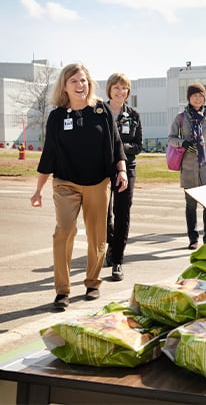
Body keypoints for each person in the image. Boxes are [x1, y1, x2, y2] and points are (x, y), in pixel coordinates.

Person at [30, 63, 127, 309]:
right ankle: (62, 290)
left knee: (97, 236)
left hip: (98, 182)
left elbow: (115, 144)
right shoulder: (56, 117)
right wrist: (39, 189)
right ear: (64, 86)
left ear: (89, 83)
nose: (80, 85)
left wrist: (122, 171)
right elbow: (49, 154)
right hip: (66, 183)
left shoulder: (101, 111)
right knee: (64, 231)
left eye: (83, 80)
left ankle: (92, 283)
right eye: (74, 81)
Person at [168, 83, 206, 249]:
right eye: (194, 95)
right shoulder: (181, 118)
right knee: (190, 205)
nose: (197, 98)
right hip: (188, 167)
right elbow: (171, 138)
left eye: (200, 95)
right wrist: (183, 143)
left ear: (204, 97)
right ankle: (193, 238)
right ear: (189, 97)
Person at [104, 72, 143, 281]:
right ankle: (111, 242)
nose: (121, 92)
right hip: (101, 169)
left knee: (122, 212)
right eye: (117, 87)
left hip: (127, 169)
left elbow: (138, 145)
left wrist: (119, 149)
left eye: (124, 88)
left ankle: (118, 259)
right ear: (109, 89)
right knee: (103, 213)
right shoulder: (98, 111)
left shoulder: (133, 115)